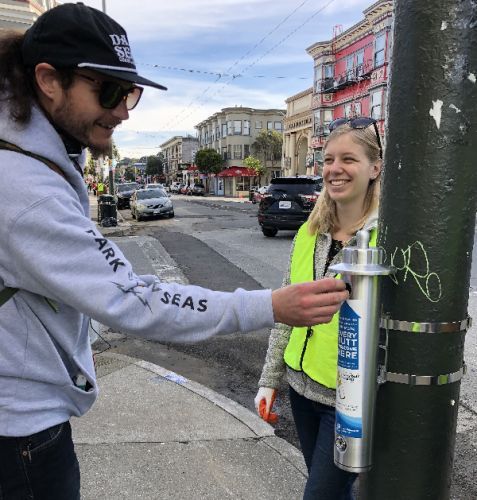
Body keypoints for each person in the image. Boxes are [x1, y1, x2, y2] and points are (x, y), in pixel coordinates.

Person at [0, 4, 348, 499]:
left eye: (131, 93)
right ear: (48, 80)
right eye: (111, 90)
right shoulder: (26, 187)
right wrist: (269, 306)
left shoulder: (30, 157)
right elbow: (135, 301)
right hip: (19, 433)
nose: (123, 110)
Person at [255, 116, 382, 500]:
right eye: (328, 160)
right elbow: (286, 314)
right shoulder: (310, 231)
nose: (334, 169)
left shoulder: (389, 237)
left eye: (348, 159)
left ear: (375, 167)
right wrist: (269, 380)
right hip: (301, 388)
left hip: (350, 401)